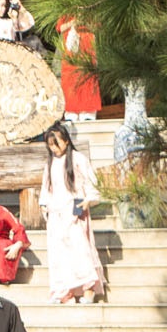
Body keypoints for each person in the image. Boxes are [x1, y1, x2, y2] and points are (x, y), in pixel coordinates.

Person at [39, 122, 106, 303]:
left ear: (66, 141)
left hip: (74, 208)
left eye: (57, 143)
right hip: (56, 211)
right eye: (50, 145)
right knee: (59, 253)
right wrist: (44, 204)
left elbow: (91, 181)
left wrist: (88, 199)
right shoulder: (50, 162)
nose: (54, 148)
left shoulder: (78, 158)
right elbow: (46, 186)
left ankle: (88, 290)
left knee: (80, 249)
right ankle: (65, 291)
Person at [56, 15, 101, 120]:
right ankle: (71, 113)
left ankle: (88, 113)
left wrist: (84, 22)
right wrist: (73, 23)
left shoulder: (91, 8)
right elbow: (60, 28)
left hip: (87, 46)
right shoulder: (66, 8)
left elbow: (97, 27)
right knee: (70, 79)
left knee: (88, 78)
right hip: (71, 48)